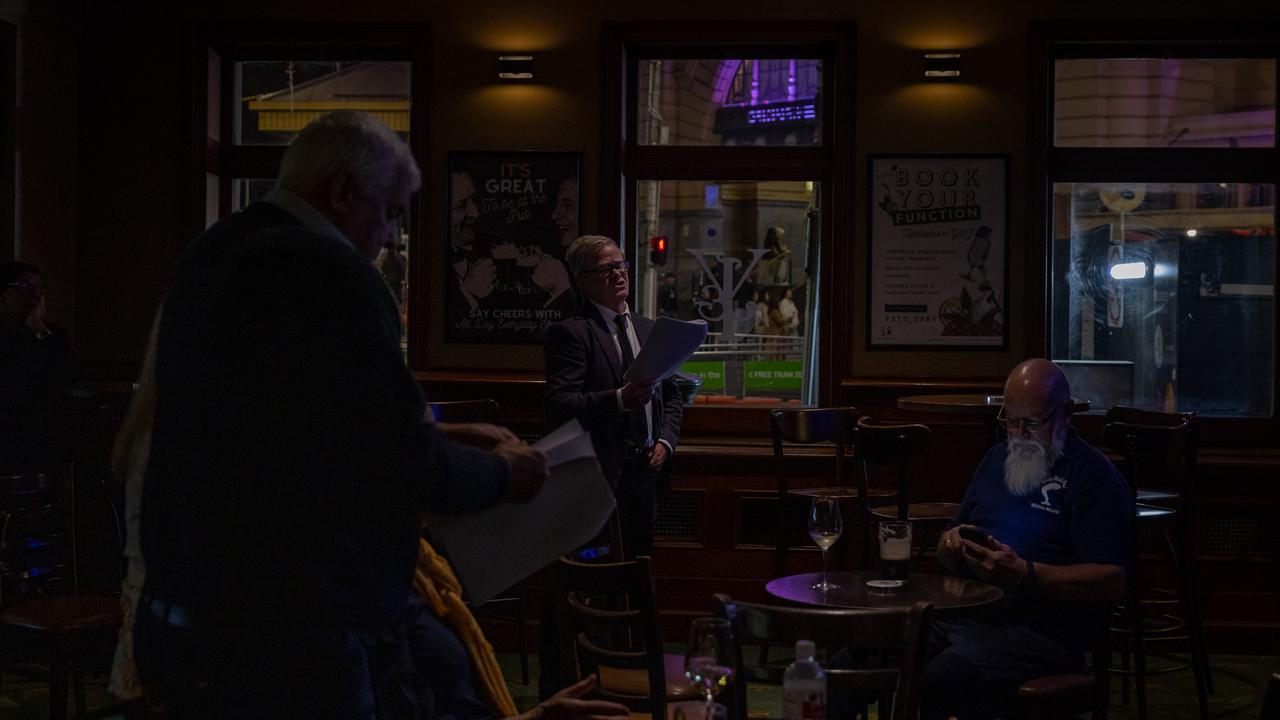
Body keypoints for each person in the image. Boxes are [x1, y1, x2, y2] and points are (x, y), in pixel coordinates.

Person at [133, 110, 549, 719]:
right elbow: (394, 463)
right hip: (296, 633)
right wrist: (507, 475)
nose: (387, 236)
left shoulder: (214, 250)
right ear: (343, 190)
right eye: (389, 213)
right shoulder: (331, 271)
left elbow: (289, 426)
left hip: (194, 612)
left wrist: (442, 432)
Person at [925, 358, 1131, 719]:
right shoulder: (994, 460)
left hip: (1041, 630)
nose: (1019, 434)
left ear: (1066, 414)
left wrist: (1024, 572)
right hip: (969, 617)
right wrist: (952, 543)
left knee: (941, 677)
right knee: (858, 658)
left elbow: (1111, 580)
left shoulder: (1093, 477)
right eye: (1011, 422)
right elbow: (944, 546)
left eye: (1033, 423)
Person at [544, 235, 684, 560]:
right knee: (594, 571)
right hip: (598, 476)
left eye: (621, 265)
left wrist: (665, 441)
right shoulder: (573, 333)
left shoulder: (649, 328)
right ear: (584, 283)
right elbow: (559, 403)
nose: (619, 274)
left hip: (647, 472)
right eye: (607, 269)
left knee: (638, 565)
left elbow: (672, 395)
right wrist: (620, 399)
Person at [0, 260, 76, 469]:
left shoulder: (52, 334)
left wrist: (39, 331)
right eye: (24, 286)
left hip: (44, 434)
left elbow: (66, 375)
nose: (35, 295)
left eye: (39, 288)